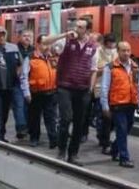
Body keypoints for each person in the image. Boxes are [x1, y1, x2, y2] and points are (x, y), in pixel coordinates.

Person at [42, 19, 98, 165]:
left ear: (86, 30)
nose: (77, 29)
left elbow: (93, 70)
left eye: (80, 27)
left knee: (79, 123)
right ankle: (61, 150)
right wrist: (64, 34)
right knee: (66, 118)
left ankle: (73, 153)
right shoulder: (65, 41)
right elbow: (45, 41)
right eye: (75, 26)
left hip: (83, 89)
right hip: (65, 87)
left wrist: (91, 88)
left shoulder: (93, 46)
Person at [101, 41, 139, 168]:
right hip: (117, 104)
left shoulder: (135, 67)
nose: (126, 53)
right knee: (122, 129)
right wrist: (105, 106)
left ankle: (114, 149)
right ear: (118, 52)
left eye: (128, 50)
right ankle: (124, 158)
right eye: (123, 50)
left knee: (125, 130)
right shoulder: (110, 67)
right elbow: (105, 87)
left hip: (131, 104)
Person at [23, 42, 59, 148]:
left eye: (48, 43)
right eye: (44, 44)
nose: (47, 46)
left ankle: (53, 139)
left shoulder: (53, 57)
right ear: (38, 45)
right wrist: (26, 92)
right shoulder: (30, 58)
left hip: (51, 92)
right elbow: (24, 76)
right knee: (34, 117)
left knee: (51, 117)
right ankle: (34, 138)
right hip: (36, 93)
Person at [94, 34, 118, 153]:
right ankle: (104, 140)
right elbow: (93, 71)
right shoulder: (97, 52)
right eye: (109, 44)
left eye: (113, 45)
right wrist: (106, 68)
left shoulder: (116, 52)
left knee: (110, 118)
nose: (111, 47)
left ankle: (104, 137)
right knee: (103, 116)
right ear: (104, 43)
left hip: (114, 90)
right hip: (99, 88)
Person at [9, 31, 34, 140]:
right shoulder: (14, 49)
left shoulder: (34, 51)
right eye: (24, 36)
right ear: (19, 37)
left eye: (29, 36)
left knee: (28, 106)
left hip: (30, 83)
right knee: (19, 105)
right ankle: (21, 128)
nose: (27, 38)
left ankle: (27, 127)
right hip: (16, 82)